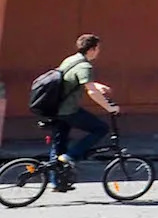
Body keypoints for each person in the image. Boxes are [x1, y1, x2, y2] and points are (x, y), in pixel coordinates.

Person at [41, 34, 115, 191]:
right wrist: (110, 108)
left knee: (59, 144)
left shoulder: (71, 60)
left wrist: (96, 85)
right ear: (93, 49)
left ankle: (57, 182)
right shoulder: (85, 66)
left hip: (56, 108)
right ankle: (72, 156)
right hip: (68, 110)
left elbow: (75, 80)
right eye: (98, 48)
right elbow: (92, 92)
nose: (98, 52)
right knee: (100, 128)